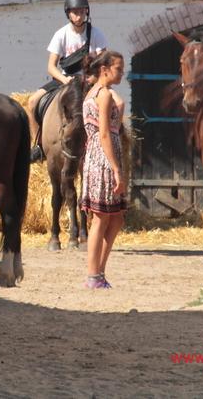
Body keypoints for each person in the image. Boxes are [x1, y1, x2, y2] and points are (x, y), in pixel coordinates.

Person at [27, 0, 108, 162]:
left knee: (111, 104)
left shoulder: (97, 34)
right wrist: (64, 80)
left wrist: (93, 80)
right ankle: (38, 146)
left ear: (87, 12)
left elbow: (103, 63)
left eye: (82, 11)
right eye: (75, 12)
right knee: (32, 101)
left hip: (89, 82)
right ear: (68, 14)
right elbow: (51, 66)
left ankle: (109, 140)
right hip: (64, 79)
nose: (79, 16)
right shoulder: (61, 34)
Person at [80, 50, 127, 289]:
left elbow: (119, 108)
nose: (122, 73)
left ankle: (99, 271)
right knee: (101, 219)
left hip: (97, 155)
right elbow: (105, 134)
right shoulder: (104, 95)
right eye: (118, 68)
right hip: (104, 157)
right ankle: (93, 274)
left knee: (115, 218)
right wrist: (116, 168)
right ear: (104, 69)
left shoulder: (94, 93)